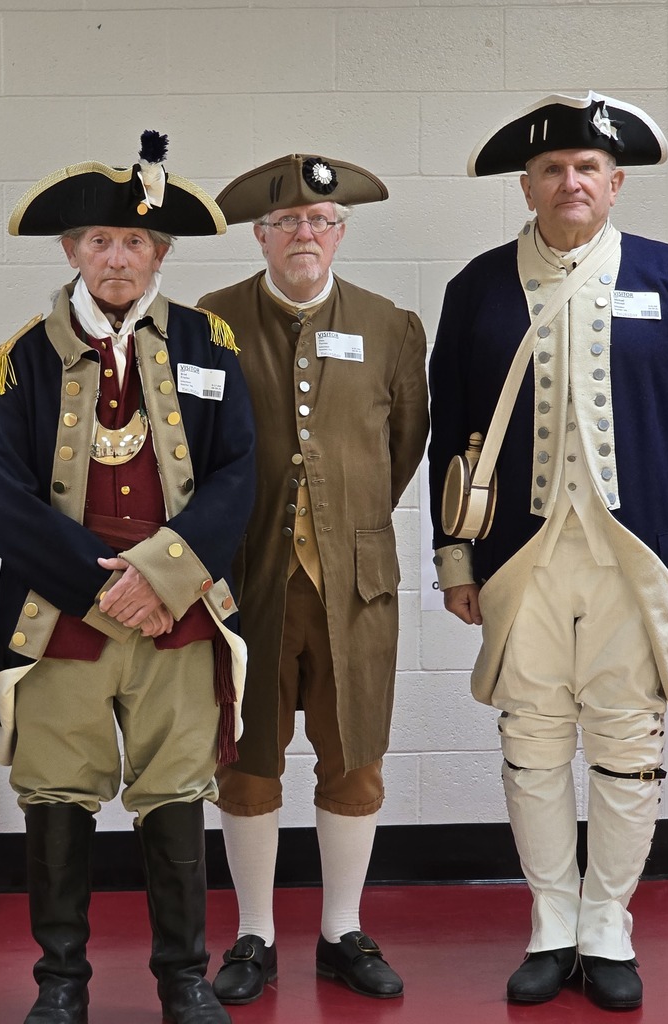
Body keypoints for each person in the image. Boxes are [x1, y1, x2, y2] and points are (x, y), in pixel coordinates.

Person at [0, 133, 256, 1024]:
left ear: (161, 254)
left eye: (135, 243)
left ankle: (183, 980)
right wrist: (104, 589)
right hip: (62, 615)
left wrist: (161, 577)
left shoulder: (209, 345)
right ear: (71, 251)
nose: (117, 257)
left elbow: (239, 473)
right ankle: (61, 984)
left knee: (176, 793)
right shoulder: (16, 360)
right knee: (58, 794)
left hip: (178, 611)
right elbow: (3, 501)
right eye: (99, 241)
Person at [428, 92, 668, 1011]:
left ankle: (609, 925)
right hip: (518, 554)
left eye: (587, 169)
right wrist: (454, 558)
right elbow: (450, 433)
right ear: (527, 186)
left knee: (628, 741)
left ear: (615, 185)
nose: (569, 181)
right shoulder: (477, 286)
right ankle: (551, 922)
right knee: (533, 742)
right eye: (551, 169)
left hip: (641, 553)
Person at [198, 154, 428, 1004]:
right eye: (287, 222)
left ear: (341, 232)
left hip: (353, 585)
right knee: (249, 763)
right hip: (247, 581)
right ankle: (253, 932)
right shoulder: (210, 322)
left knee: (354, 759)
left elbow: (402, 449)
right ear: (260, 235)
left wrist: (345, 520)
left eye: (321, 221)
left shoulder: (391, 324)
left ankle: (341, 930)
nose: (305, 233)